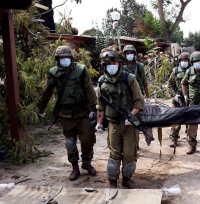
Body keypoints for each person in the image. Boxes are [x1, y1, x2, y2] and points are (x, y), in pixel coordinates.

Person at [37, 46, 98, 181]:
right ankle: (75, 167)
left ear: (71, 57)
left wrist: (94, 109)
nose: (65, 60)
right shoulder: (54, 72)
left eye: (67, 57)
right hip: (66, 114)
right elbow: (47, 92)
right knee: (70, 143)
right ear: (58, 59)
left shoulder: (81, 70)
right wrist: (41, 108)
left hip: (83, 112)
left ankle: (87, 163)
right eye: (62, 58)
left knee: (87, 140)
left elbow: (89, 90)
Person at [96, 49, 145, 189]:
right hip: (113, 124)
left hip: (129, 125)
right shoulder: (102, 82)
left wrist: (131, 115)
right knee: (114, 154)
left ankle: (127, 179)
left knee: (129, 154)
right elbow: (101, 106)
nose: (111, 66)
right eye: (107, 64)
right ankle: (112, 181)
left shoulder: (129, 78)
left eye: (113, 63)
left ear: (119, 63)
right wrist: (99, 124)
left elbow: (139, 102)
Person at [167, 52, 190, 148]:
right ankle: (174, 139)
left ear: (189, 61)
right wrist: (174, 95)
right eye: (182, 60)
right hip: (178, 99)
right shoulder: (175, 71)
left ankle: (191, 140)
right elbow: (170, 85)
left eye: (186, 60)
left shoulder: (192, 71)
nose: (184, 62)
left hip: (189, 99)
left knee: (190, 120)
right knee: (175, 120)